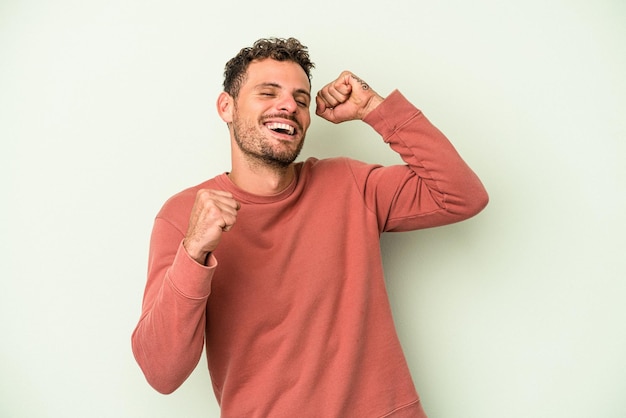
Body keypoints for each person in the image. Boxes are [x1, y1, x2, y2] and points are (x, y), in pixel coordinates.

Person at [132, 37, 488, 418]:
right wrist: (193, 253)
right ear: (227, 107)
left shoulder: (348, 183)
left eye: (301, 100)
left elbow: (462, 195)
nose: (288, 106)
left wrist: (373, 108)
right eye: (268, 93)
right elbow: (161, 373)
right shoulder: (185, 215)